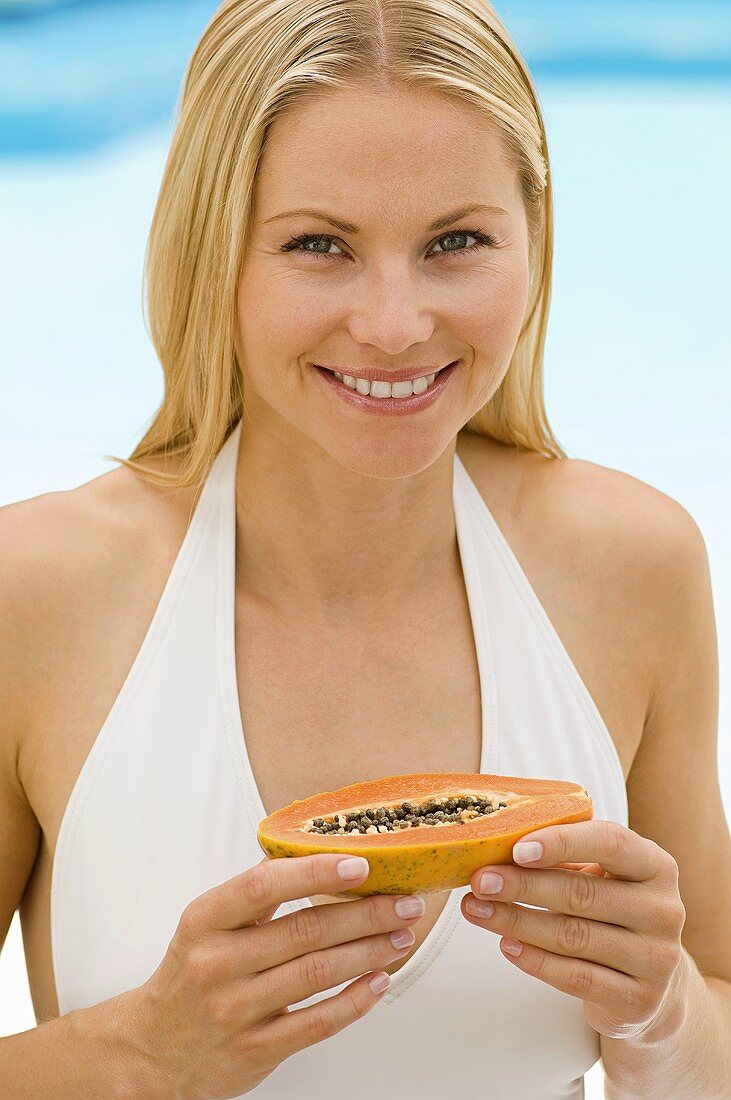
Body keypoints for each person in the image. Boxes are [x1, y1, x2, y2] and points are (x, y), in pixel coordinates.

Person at [1, 1, 729, 1097]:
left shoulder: (629, 564)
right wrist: (139, 1055)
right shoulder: (42, 591)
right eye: (317, 245)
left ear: (531, 237)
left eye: (455, 241)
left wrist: (664, 1010)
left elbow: (710, 1021)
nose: (393, 324)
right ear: (215, 250)